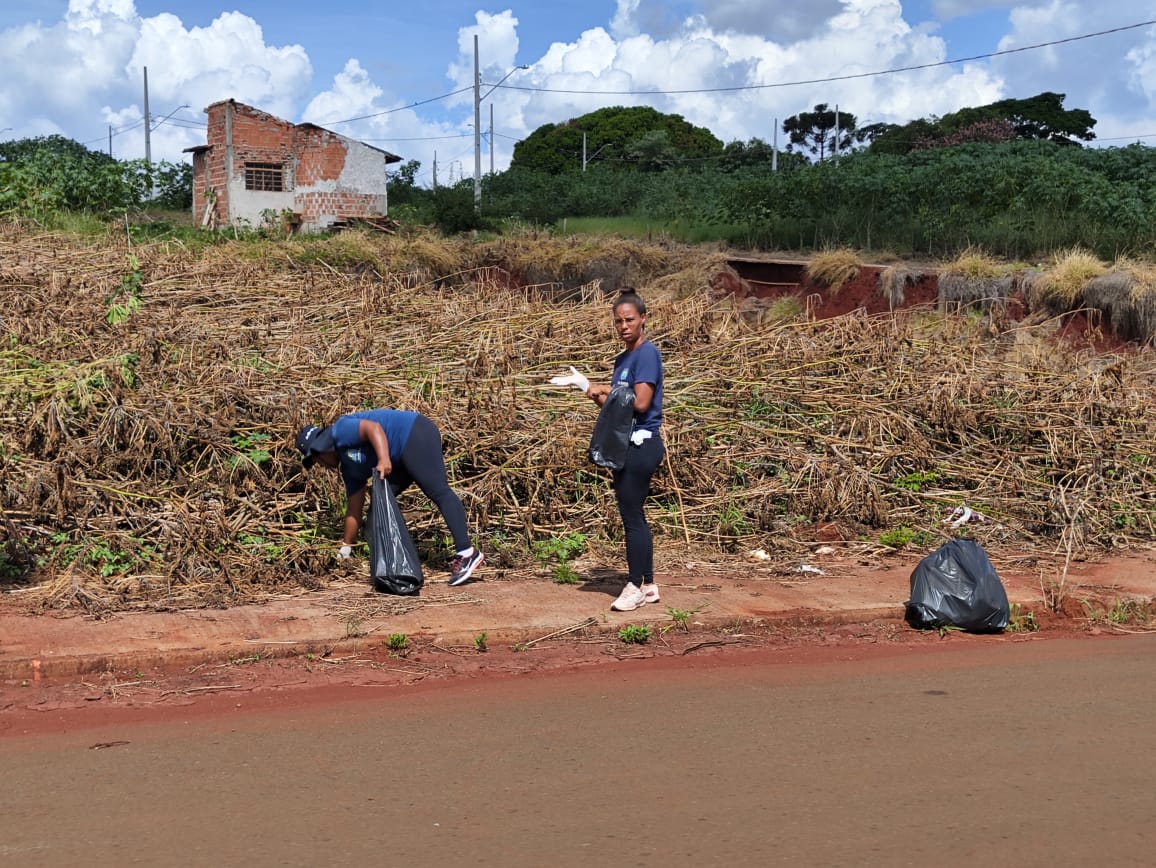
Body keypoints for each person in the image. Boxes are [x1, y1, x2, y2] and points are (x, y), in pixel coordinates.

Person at [549, 289, 665, 612]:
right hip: (624, 443)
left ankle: (634, 586)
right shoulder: (622, 360)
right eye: (618, 321)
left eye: (629, 320)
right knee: (635, 513)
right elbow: (616, 408)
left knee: (631, 516)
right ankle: (649, 585)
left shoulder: (647, 354)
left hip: (642, 444)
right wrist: (587, 388)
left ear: (643, 319)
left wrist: (606, 388)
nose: (624, 326)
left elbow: (640, 403)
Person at [296, 409, 483, 587]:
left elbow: (373, 429)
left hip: (414, 433)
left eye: (315, 459)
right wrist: (346, 547)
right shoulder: (350, 470)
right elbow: (354, 510)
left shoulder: (340, 430)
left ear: (321, 450)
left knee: (438, 491)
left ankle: (466, 552)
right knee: (377, 507)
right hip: (398, 458)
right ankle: (392, 565)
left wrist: (383, 459)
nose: (319, 464)